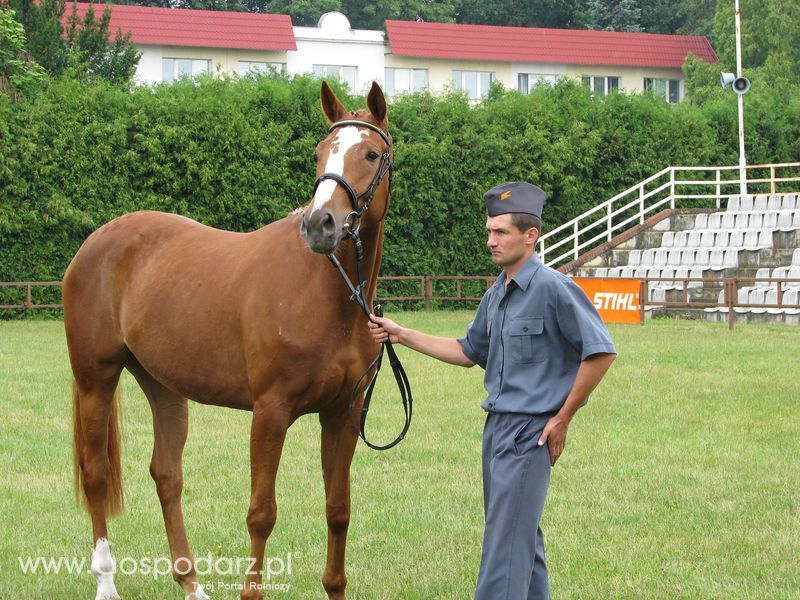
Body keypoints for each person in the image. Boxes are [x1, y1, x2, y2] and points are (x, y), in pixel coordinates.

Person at [368, 181, 617, 599]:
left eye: (500, 232)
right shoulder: (496, 294)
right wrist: (400, 334)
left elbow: (601, 352)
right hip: (497, 432)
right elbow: (467, 351)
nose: (490, 241)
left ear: (530, 236)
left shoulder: (554, 288)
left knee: (504, 551)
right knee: (521, 540)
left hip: (529, 433)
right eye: (488, 231)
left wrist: (563, 417)